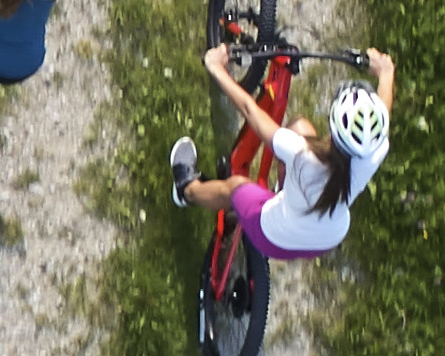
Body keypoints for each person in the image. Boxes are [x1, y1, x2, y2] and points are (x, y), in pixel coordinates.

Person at [169, 43, 396, 260]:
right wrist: (386, 74)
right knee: (301, 128)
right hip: (324, 240)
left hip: (274, 237)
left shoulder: (302, 155)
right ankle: (283, 193)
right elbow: (382, 112)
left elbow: (250, 111)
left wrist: (216, 68)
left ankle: (186, 190)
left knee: (236, 186)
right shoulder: (373, 151)